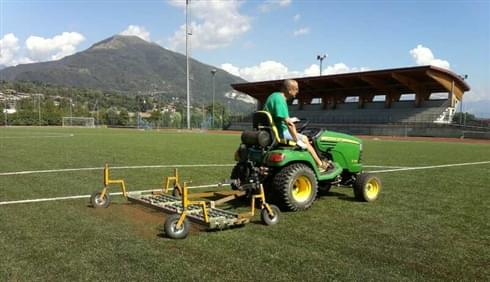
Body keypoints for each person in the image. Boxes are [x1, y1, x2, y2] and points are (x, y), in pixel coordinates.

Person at [263, 79, 328, 172]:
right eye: (296, 89)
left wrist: (291, 119)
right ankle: (320, 165)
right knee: (305, 139)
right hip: (280, 132)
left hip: (273, 129)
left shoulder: (274, 96)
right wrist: (297, 141)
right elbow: (289, 124)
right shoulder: (280, 100)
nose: (297, 92)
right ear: (289, 90)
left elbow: (279, 117)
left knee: (300, 136)